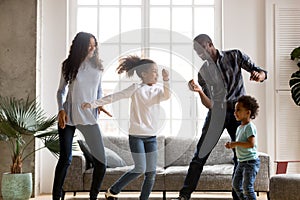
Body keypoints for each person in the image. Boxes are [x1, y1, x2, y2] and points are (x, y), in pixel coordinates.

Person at [172, 34, 267, 200]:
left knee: (240, 156)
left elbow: (260, 71)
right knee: (199, 155)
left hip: (238, 113)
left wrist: (259, 75)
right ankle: (184, 195)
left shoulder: (235, 56)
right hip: (217, 114)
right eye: (196, 52)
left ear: (210, 44)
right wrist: (200, 92)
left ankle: (237, 195)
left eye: (201, 50)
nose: (200, 55)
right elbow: (210, 104)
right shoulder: (203, 73)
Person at [82, 55, 171, 200]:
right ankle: (114, 190)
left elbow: (167, 96)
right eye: (154, 71)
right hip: (136, 136)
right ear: (143, 74)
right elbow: (114, 96)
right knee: (140, 168)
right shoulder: (136, 88)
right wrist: (92, 104)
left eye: (157, 71)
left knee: (151, 173)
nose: (157, 74)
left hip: (152, 137)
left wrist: (166, 80)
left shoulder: (159, 90)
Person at [53, 32, 111, 200]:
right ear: (80, 46)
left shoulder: (98, 67)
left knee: (101, 163)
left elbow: (98, 89)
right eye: (89, 45)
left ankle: (93, 196)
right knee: (65, 159)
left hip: (89, 117)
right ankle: (56, 196)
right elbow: (61, 91)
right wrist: (60, 110)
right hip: (68, 116)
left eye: (94, 44)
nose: (93, 48)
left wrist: (99, 104)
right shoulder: (68, 65)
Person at [225, 95, 260, 200]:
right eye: (235, 110)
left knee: (247, 188)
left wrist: (235, 144)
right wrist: (231, 145)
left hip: (250, 162)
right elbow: (240, 143)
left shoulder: (250, 127)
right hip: (241, 162)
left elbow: (251, 144)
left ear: (248, 113)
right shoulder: (239, 128)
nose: (235, 113)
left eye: (238, 110)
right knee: (236, 185)